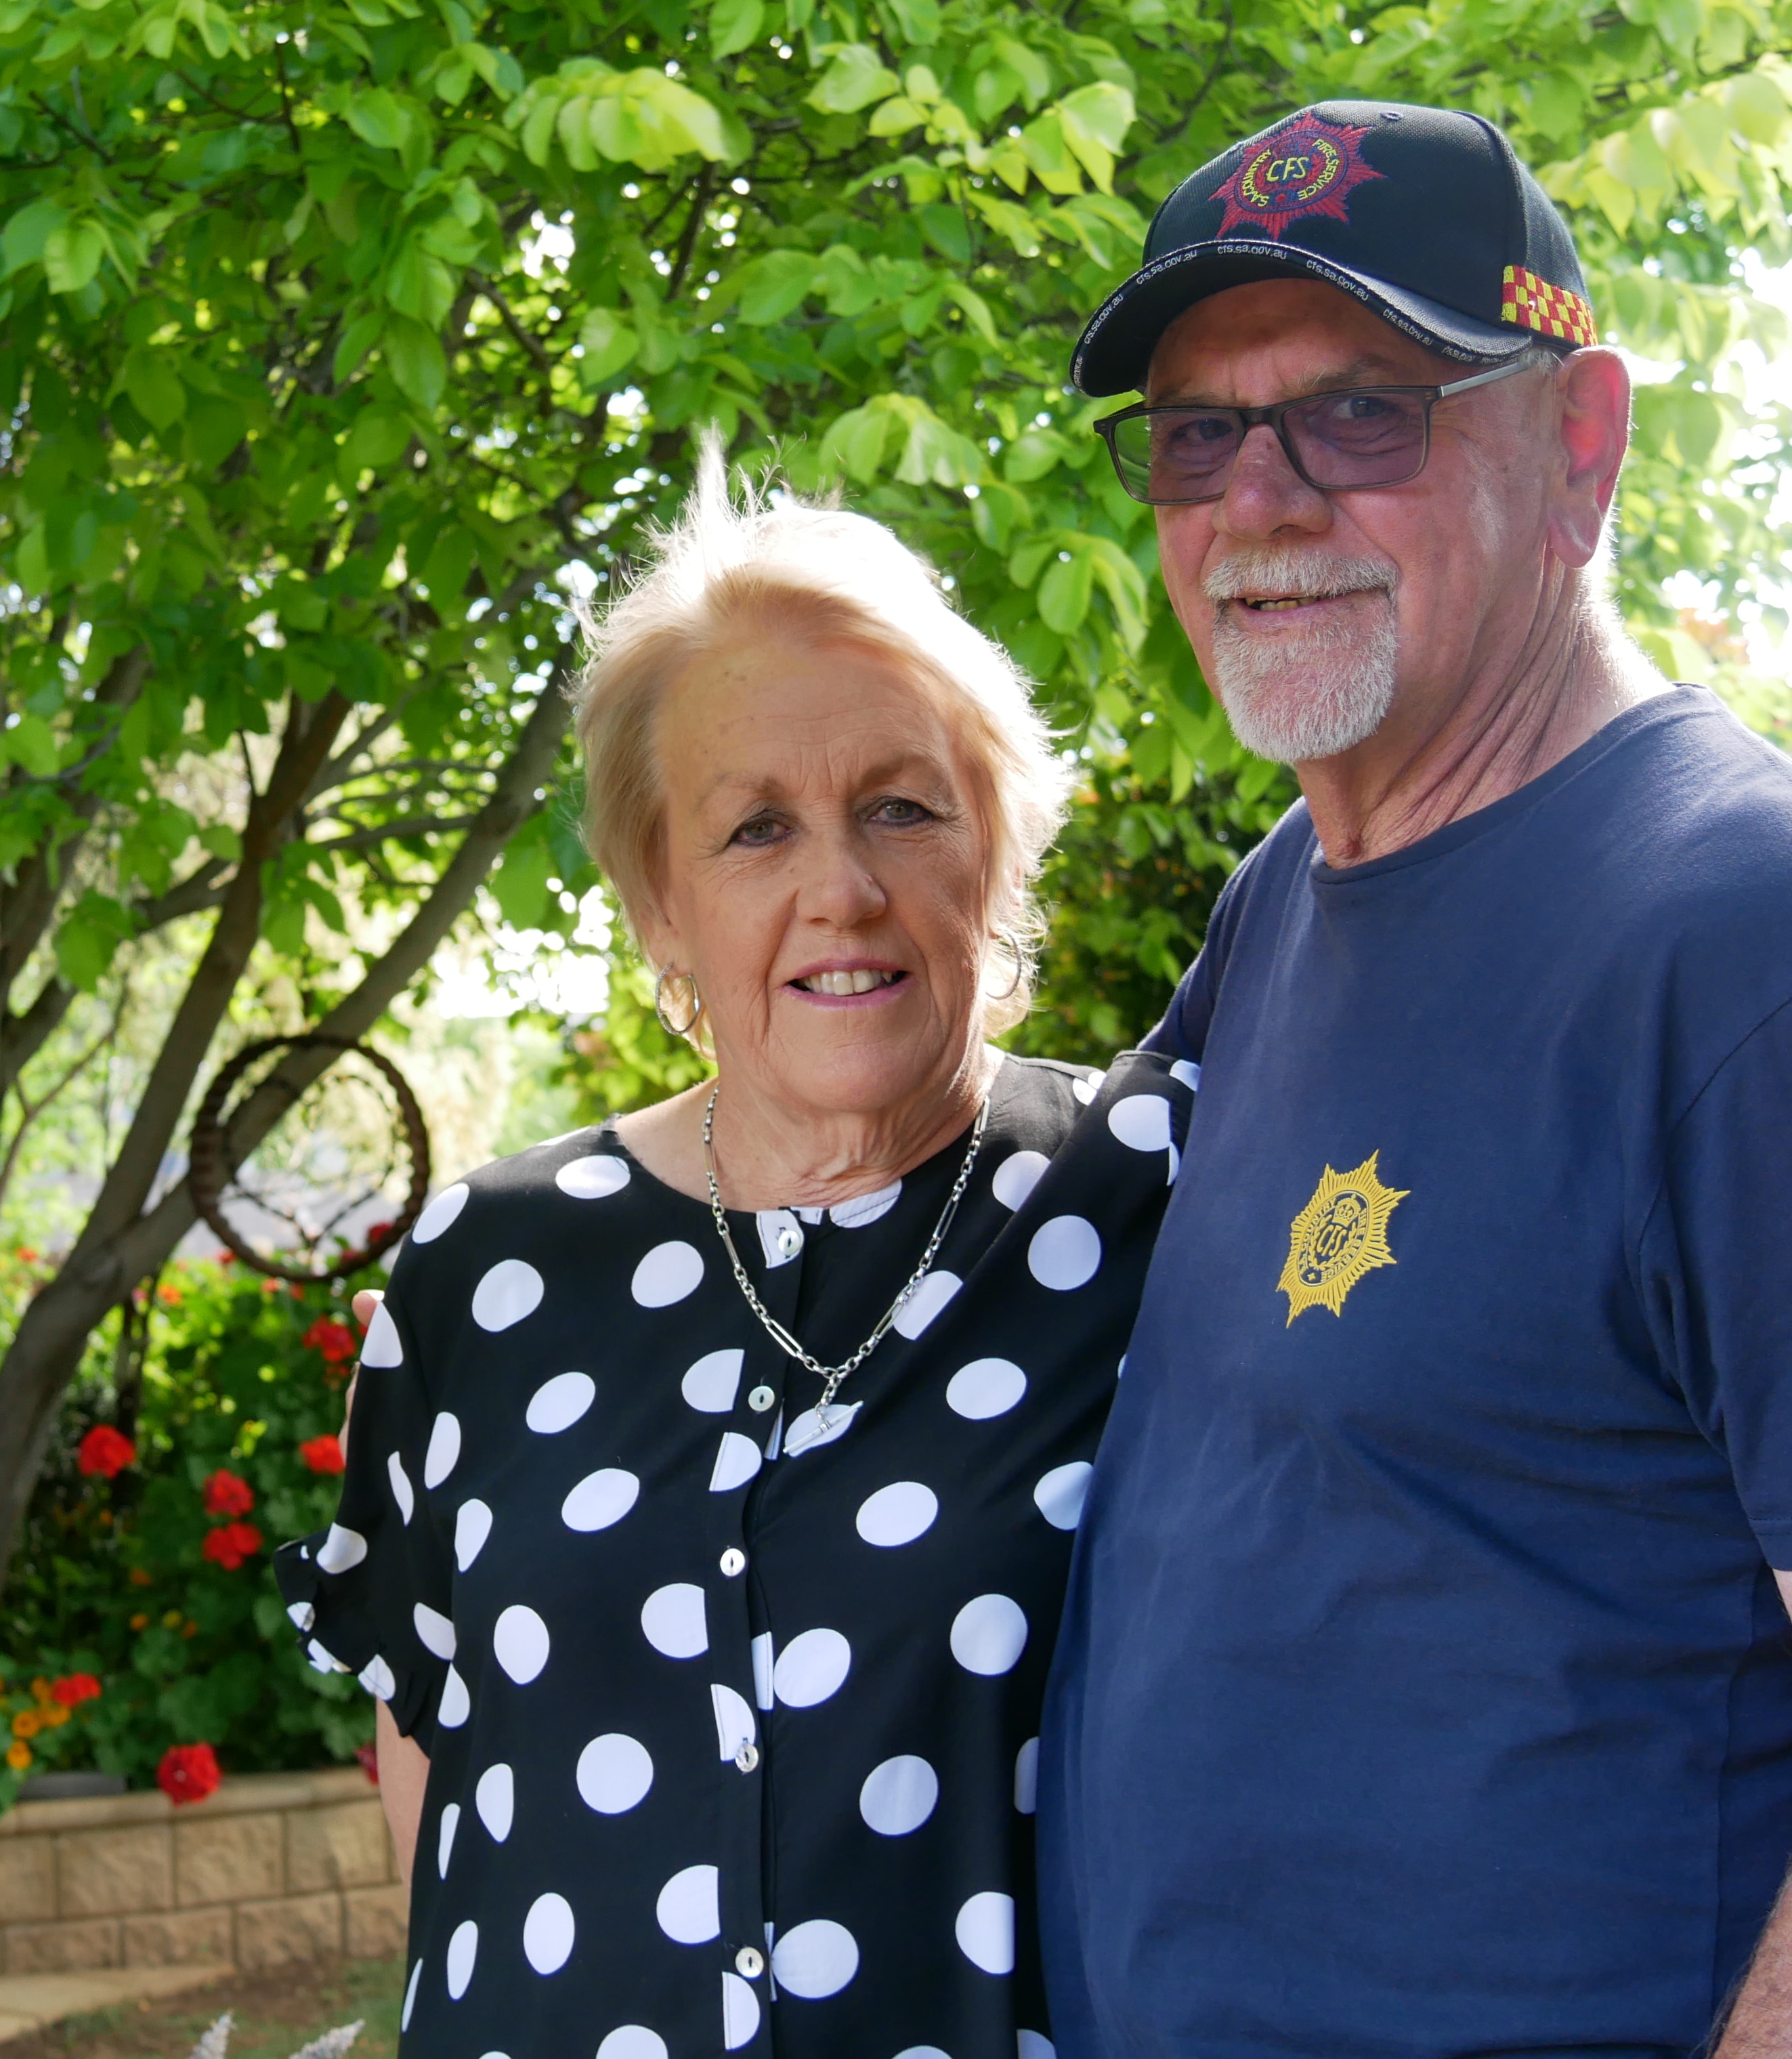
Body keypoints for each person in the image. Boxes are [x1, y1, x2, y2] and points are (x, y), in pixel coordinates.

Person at [1038, 100, 1792, 2057]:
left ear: (1582, 444)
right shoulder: (1295, 896)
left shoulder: (1787, 964)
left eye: (1363, 412)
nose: (1259, 505)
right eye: (1197, 435)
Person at [278, 457, 1187, 2056]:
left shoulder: (1151, 1207)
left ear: (1002, 842)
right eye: (754, 829)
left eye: (903, 805)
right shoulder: (488, 1271)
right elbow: (432, 1759)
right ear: (660, 906)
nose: (840, 888)